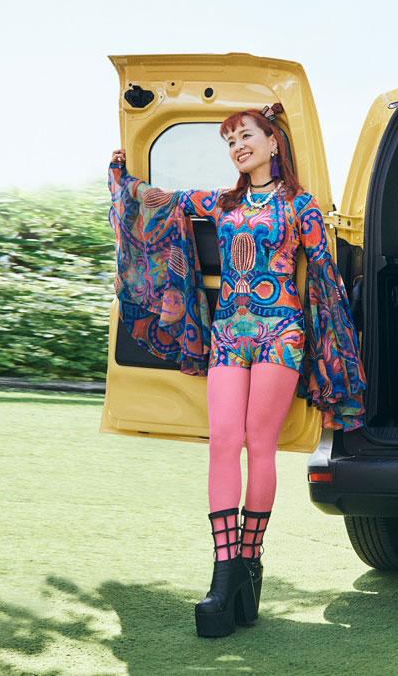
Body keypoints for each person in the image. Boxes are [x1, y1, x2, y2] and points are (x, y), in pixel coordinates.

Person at [107, 103, 365, 638]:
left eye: (245, 136)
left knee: (258, 443)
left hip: (280, 333)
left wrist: (334, 350)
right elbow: (160, 202)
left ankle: (250, 563)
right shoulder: (220, 202)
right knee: (223, 442)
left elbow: (325, 279)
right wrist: (123, 179)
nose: (238, 147)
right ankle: (225, 574)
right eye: (229, 141)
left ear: (273, 142)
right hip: (228, 332)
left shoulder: (300, 206)